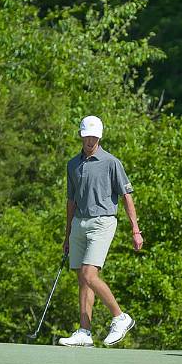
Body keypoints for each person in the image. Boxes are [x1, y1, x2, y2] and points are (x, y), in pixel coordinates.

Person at [58, 115, 143, 347]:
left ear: (100, 136)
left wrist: (135, 229)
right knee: (82, 280)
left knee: (89, 274)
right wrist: (66, 236)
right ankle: (85, 332)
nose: (90, 139)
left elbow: (126, 196)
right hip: (79, 223)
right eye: (87, 135)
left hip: (103, 221)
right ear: (81, 135)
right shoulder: (72, 164)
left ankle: (120, 317)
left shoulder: (111, 162)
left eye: (94, 135)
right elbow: (71, 201)